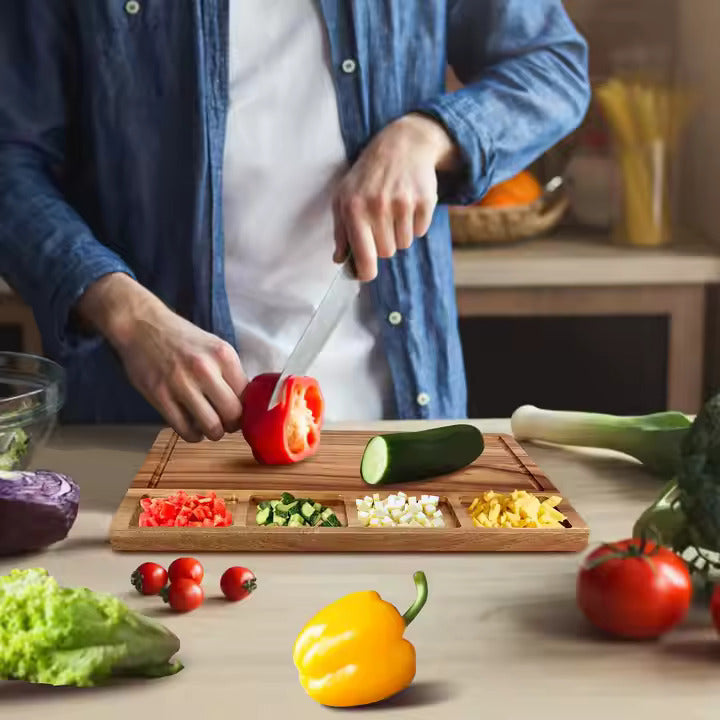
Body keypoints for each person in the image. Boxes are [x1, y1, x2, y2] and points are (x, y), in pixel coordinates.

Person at [0, 1, 590, 442]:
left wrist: (428, 136)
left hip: (398, 422)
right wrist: (126, 314)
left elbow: (552, 65)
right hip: (147, 429)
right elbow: (10, 160)